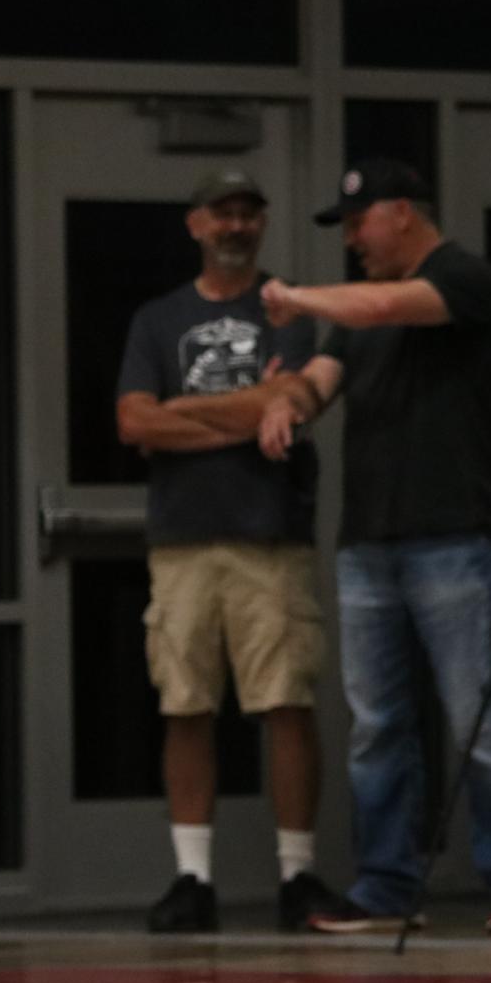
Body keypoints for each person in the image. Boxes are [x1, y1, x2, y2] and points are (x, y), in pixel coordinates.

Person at [257, 158, 491, 936]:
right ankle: (386, 886)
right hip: (366, 545)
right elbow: (318, 381)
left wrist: (292, 296)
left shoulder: (465, 279)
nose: (352, 239)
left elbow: (391, 302)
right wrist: (286, 400)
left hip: (449, 536)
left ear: (402, 212)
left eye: (358, 222)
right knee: (377, 724)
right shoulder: (353, 321)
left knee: (477, 718)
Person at [114, 167, 347, 933]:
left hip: (268, 533)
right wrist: (246, 412)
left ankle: (296, 875)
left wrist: (186, 409)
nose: (237, 225)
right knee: (185, 704)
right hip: (180, 539)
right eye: (223, 213)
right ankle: (192, 878)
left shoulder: (286, 309)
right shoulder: (158, 318)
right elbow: (135, 424)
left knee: (286, 701)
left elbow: (290, 399)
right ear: (196, 225)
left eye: (250, 211)